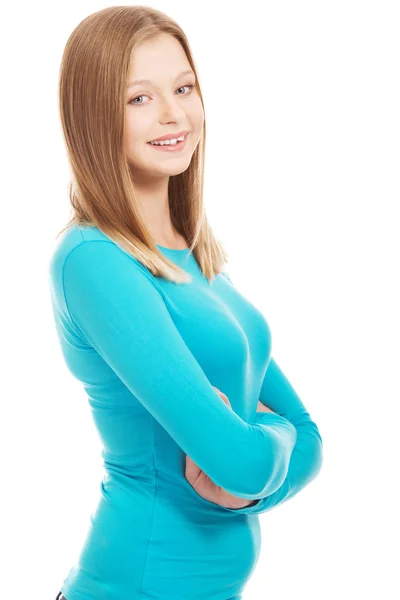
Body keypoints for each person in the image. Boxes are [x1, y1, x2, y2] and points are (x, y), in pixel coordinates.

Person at [49, 6, 323, 600]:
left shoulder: (196, 259)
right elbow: (242, 463)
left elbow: (308, 438)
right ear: (95, 117)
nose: (174, 115)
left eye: (183, 87)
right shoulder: (94, 261)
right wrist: (260, 452)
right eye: (138, 99)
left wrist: (259, 447)